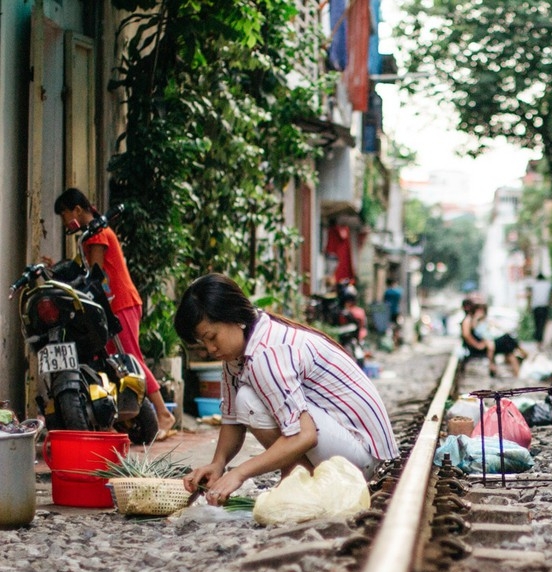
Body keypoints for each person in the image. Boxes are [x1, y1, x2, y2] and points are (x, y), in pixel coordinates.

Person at [174, 273, 399, 505]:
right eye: (203, 344)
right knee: (245, 400)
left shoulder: (266, 353)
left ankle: (301, 479)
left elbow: (304, 435)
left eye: (212, 337)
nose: (211, 349)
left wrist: (239, 473)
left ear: (234, 317)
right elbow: (232, 420)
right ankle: (298, 475)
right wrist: (218, 464)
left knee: (250, 402)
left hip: (360, 458)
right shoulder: (238, 352)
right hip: (344, 444)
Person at [53, 188, 177, 440]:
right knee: (114, 358)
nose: (65, 222)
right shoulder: (89, 236)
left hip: (120, 303)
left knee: (131, 358)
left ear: (76, 210)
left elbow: (94, 271)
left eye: (64, 215)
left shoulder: (97, 234)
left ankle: (163, 413)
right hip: (109, 305)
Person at [528, 273, 552, 347]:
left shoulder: (534, 285)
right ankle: (541, 342)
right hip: (545, 307)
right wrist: (551, 303)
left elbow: (530, 295)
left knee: (537, 325)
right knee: (543, 325)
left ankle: (539, 342)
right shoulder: (548, 284)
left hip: (536, 308)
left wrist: (529, 306)